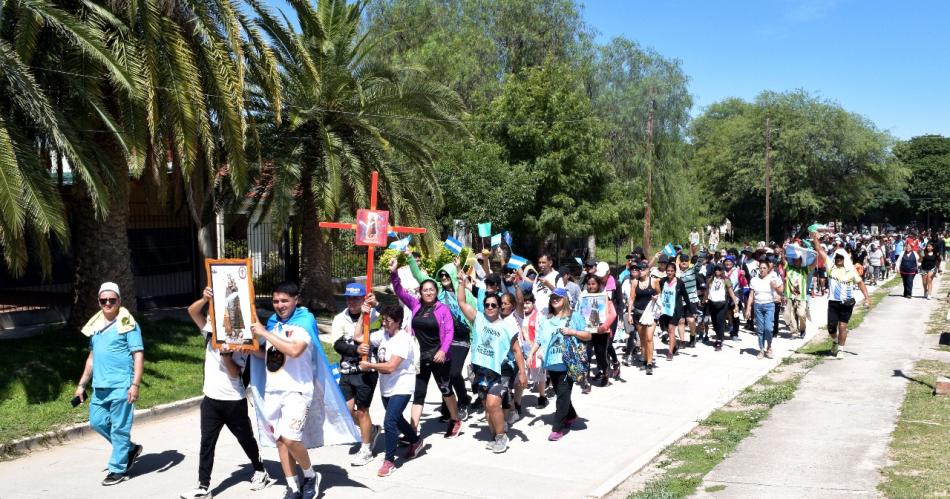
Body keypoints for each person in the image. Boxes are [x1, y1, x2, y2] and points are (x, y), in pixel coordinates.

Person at [249, 281, 359, 499]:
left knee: (290, 439)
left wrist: (264, 333)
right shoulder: (273, 322)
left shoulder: (304, 321)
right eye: (275, 301)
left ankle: (310, 475)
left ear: (295, 300)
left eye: (284, 301)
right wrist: (249, 348)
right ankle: (292, 486)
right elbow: (272, 354)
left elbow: (295, 350)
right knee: (280, 440)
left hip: (297, 390)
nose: (279, 305)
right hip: (274, 390)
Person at [181, 287, 272, 499]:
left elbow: (235, 374)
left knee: (245, 438)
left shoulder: (243, 338)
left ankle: (260, 469)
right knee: (207, 443)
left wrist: (226, 356)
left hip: (233, 399)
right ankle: (203, 487)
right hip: (210, 399)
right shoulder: (213, 329)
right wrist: (204, 299)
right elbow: (192, 312)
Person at [74, 282, 144, 486]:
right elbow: (92, 358)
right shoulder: (95, 326)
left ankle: (118, 469)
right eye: (103, 300)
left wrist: (135, 384)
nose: (107, 303)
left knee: (120, 429)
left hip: (122, 385)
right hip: (100, 387)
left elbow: (138, 355)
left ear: (119, 301)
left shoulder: (128, 324)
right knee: (97, 422)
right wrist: (81, 385)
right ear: (99, 302)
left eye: (111, 300)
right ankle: (129, 449)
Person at [389, 258, 462, 438]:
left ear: (436, 292)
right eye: (425, 290)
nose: (428, 292)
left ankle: (455, 419)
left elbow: (449, 332)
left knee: (445, 390)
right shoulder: (415, 305)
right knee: (419, 393)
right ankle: (413, 431)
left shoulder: (442, 309)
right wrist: (394, 272)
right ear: (420, 292)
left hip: (439, 356)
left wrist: (443, 351)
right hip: (419, 357)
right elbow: (399, 291)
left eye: (431, 290)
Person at [456, 270, 527, 453]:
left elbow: (517, 351)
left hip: (501, 371)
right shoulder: (478, 319)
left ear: (499, 307)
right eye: (487, 304)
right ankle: (497, 434)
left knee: (494, 404)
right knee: (488, 410)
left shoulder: (506, 327)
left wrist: (523, 374)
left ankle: (502, 437)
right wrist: (462, 284)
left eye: (493, 305)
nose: (489, 307)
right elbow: (461, 302)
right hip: (481, 371)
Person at [406, 254, 475, 423]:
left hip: (462, 337)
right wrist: (410, 258)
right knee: (445, 375)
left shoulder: (466, 293)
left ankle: (464, 400)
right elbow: (421, 277)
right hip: (444, 339)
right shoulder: (437, 292)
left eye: (446, 275)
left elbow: (476, 316)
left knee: (454, 372)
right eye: (441, 275)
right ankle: (449, 407)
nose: (443, 277)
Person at [357, 304, 422, 477]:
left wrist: (369, 365)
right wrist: (362, 316)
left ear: (398, 321)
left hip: (402, 385)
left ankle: (389, 461)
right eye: (383, 319)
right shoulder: (383, 335)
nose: (384, 323)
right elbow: (359, 336)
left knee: (389, 422)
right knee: (397, 419)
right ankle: (415, 441)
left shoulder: (403, 339)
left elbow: (391, 366)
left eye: (388, 320)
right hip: (387, 386)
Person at [530, 288, 591, 441]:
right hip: (551, 363)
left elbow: (588, 335)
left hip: (567, 364)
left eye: (558, 297)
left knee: (562, 396)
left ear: (565, 300)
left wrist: (573, 332)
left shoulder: (574, 316)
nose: (554, 299)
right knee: (560, 393)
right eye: (552, 297)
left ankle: (558, 427)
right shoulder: (546, 319)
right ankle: (570, 415)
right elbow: (538, 340)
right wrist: (531, 353)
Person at [332, 283, 382, 467]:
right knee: (345, 410)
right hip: (345, 370)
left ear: (364, 299)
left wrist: (376, 305)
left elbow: (391, 320)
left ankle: (366, 448)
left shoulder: (375, 317)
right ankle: (372, 430)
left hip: (366, 371)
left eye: (356, 298)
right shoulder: (339, 318)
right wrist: (355, 349)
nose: (351, 301)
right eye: (348, 298)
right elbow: (337, 344)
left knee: (362, 411)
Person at [813, 234, 871, 359]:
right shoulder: (830, 267)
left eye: (841, 257)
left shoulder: (851, 271)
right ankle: (834, 341)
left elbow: (860, 283)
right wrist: (814, 237)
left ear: (844, 258)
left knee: (843, 326)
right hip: (833, 302)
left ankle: (841, 349)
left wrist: (867, 298)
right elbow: (819, 250)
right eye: (837, 257)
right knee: (831, 328)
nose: (838, 259)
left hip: (847, 302)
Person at [627, 261, 660, 374]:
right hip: (638, 314)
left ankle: (650, 364)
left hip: (650, 314)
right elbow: (631, 298)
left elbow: (659, 294)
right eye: (639, 269)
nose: (641, 271)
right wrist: (629, 313)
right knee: (643, 339)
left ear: (648, 270)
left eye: (643, 268)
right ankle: (645, 360)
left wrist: (656, 298)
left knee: (649, 338)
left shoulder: (654, 281)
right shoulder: (635, 282)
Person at [746, 261, 783, 359]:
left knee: (769, 329)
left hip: (769, 305)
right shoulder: (754, 280)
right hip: (758, 306)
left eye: (764, 268)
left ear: (768, 269)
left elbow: (781, 291)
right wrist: (748, 308)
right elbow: (751, 295)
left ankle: (769, 346)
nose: (762, 270)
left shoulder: (772, 278)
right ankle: (761, 350)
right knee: (760, 329)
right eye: (760, 268)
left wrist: (775, 287)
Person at [658, 261, 689, 361]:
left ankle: (670, 352)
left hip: (675, 310)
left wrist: (691, 309)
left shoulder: (680, 283)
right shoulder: (662, 281)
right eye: (668, 271)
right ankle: (674, 346)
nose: (669, 273)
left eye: (671, 271)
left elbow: (685, 296)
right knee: (666, 329)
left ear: (675, 272)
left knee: (671, 330)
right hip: (664, 310)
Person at [703, 266, 740, 351]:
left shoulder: (726, 280)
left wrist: (736, 304)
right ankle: (719, 335)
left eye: (719, 269)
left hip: (722, 304)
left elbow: (731, 292)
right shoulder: (710, 280)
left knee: (720, 321)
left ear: (722, 271)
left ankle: (719, 340)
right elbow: (707, 291)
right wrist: (704, 300)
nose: (717, 271)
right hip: (712, 303)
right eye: (715, 269)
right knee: (715, 323)